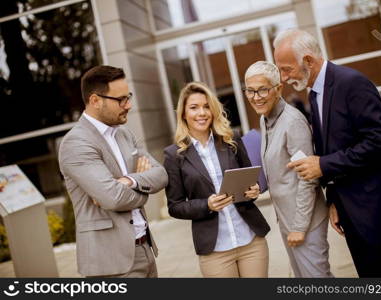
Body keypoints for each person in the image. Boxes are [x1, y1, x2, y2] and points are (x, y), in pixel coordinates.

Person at [274, 29, 381, 277]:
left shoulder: (352, 83)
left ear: (308, 61)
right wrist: (334, 200)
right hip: (352, 211)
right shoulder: (315, 93)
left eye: (287, 69)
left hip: (377, 208)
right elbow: (333, 148)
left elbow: (380, 141)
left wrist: (324, 165)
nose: (284, 78)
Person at [58, 65, 168, 278]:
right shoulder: (76, 143)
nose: (128, 105)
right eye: (121, 100)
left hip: (145, 249)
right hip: (111, 263)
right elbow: (114, 198)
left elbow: (161, 174)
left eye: (128, 97)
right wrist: (143, 188)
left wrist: (128, 181)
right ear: (95, 101)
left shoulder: (124, 133)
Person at [163, 81, 270, 278]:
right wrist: (207, 205)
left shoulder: (231, 139)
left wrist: (253, 190)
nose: (201, 113)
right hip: (215, 250)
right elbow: (175, 206)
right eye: (194, 108)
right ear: (184, 114)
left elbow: (249, 181)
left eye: (206, 107)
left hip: (251, 240)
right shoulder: (174, 155)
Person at [244, 61, 332, 277]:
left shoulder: (292, 122)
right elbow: (278, 168)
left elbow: (308, 178)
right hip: (286, 219)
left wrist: (299, 227)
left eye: (263, 89)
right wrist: (258, 186)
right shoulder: (265, 119)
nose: (256, 97)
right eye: (250, 91)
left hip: (304, 222)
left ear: (278, 89)